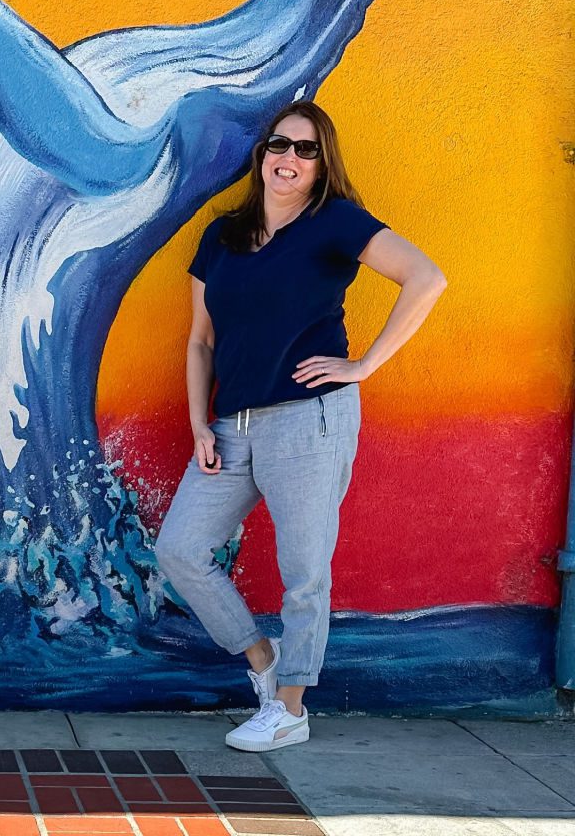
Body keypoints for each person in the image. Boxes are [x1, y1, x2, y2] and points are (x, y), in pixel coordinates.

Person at [154, 101, 445, 751]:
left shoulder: (334, 223)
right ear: (262, 155)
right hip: (233, 426)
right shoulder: (222, 236)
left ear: (321, 164)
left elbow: (427, 277)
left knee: (303, 566)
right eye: (279, 145)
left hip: (309, 420)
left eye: (306, 150)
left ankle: (291, 707)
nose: (289, 159)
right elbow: (201, 341)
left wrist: (365, 362)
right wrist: (201, 422)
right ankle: (264, 664)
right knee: (180, 549)